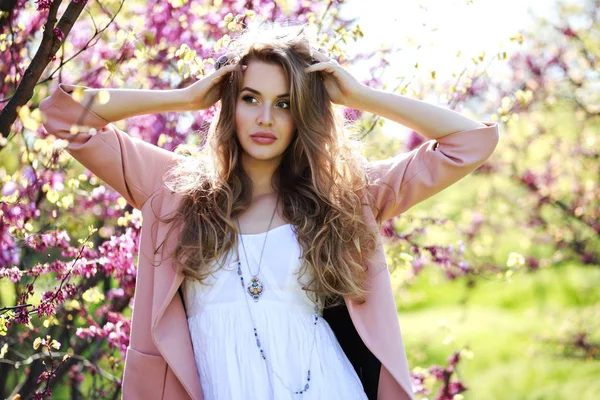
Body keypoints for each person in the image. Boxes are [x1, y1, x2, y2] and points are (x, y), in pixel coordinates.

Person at [39, 23, 499, 400]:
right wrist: (183, 98)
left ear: (304, 114)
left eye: (284, 104)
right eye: (250, 98)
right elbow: (64, 116)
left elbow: (471, 141)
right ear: (228, 104)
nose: (265, 119)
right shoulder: (173, 190)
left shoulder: (344, 196)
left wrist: (358, 95)